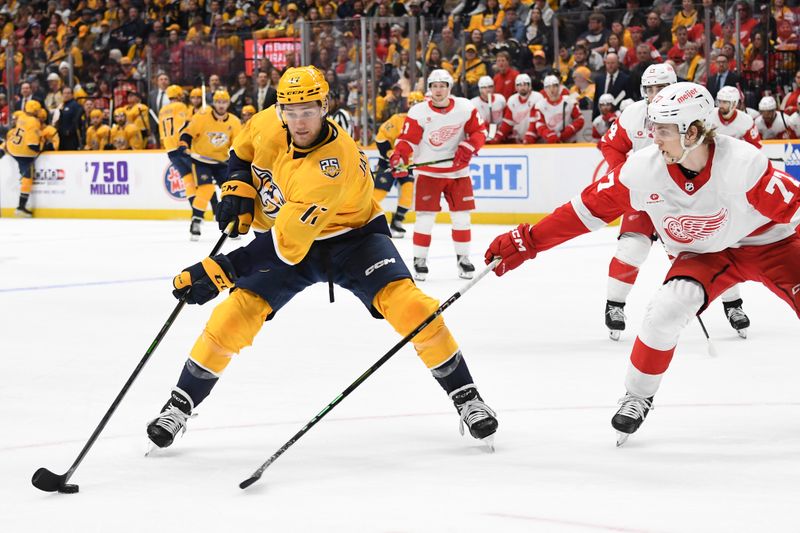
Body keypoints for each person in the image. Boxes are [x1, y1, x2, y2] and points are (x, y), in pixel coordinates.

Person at [145, 66, 498, 451]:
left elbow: (285, 244)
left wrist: (220, 270)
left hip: (353, 240)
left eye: (308, 110)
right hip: (288, 235)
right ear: (279, 107)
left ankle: (466, 396)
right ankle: (180, 404)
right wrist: (236, 188)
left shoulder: (330, 165)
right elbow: (241, 153)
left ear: (325, 105)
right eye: (290, 110)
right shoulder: (266, 123)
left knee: (413, 307)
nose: (299, 121)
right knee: (233, 316)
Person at [484, 82, 800, 445]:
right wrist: (528, 241)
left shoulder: (743, 163)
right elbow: (585, 210)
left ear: (693, 132)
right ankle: (637, 396)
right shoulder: (642, 168)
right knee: (665, 311)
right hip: (703, 254)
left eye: (663, 130)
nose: (653, 137)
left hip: (768, 242)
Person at [390, 69, 488, 281]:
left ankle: (463, 258)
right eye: (434, 86)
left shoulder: (465, 107)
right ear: (429, 89)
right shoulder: (418, 111)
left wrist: (470, 146)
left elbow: (480, 132)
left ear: (449, 88)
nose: (438, 90)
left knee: (462, 218)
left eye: (442, 86)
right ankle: (419, 260)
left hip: (458, 173)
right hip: (428, 173)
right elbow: (408, 140)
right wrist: (399, 156)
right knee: (425, 219)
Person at [179, 90, 242, 240]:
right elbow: (187, 133)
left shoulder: (234, 121)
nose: (221, 105)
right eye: (218, 102)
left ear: (228, 103)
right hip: (201, 161)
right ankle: (196, 220)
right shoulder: (202, 116)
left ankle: (230, 224)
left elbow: (238, 144)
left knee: (229, 191)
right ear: (214, 103)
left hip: (222, 162)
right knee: (206, 188)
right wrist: (183, 145)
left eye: (224, 102)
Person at [373, 91, 426, 239]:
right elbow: (381, 138)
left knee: (408, 193)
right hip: (388, 162)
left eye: (420, 104)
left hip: (407, 165)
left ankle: (397, 222)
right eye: (413, 104)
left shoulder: (428, 123)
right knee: (378, 194)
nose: (416, 107)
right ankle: (364, 220)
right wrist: (390, 154)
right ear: (408, 105)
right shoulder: (397, 119)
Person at [159, 85, 194, 220]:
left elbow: (161, 134)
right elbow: (184, 125)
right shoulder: (180, 106)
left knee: (187, 179)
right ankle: (215, 208)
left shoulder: (162, 110)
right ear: (179, 95)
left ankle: (195, 213)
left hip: (169, 150)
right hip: (180, 147)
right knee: (200, 176)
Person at [7, 100, 42, 217]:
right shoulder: (34, 122)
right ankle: (21, 207)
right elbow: (32, 144)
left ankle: (2, 149)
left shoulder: (21, 115)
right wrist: (40, 149)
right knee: (28, 177)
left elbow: (14, 116)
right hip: (24, 153)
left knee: (8, 140)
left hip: (12, 147)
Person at [491, 73, 542, 144]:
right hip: (519, 139)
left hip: (536, 139)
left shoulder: (537, 97)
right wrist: (497, 137)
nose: (522, 87)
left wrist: (530, 137)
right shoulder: (512, 100)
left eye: (525, 84)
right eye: (519, 85)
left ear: (529, 86)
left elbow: (536, 121)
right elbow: (507, 123)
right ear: (516, 87)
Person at [533, 75, 584, 144]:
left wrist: (568, 131)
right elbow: (539, 124)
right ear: (544, 89)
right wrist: (549, 135)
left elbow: (580, 119)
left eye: (554, 86)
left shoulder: (569, 101)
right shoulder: (540, 105)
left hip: (570, 143)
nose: (552, 89)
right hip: (550, 143)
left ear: (559, 87)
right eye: (548, 87)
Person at [471, 75, 506, 142]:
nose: (488, 90)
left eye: (490, 87)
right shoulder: (473, 103)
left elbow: (506, 118)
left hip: (499, 135)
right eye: (484, 87)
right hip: (482, 135)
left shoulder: (500, 99)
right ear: (480, 89)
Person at [56, 86, 85, 150]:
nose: (66, 95)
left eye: (68, 93)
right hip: (61, 136)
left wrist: (69, 131)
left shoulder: (75, 106)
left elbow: (76, 120)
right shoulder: (61, 106)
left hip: (71, 137)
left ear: (72, 95)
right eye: (64, 93)